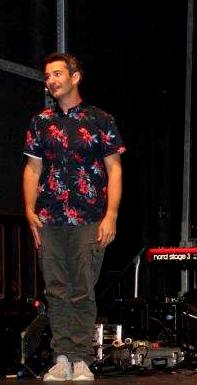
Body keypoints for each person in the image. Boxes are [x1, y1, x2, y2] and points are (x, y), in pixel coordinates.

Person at [23, 53, 125, 381]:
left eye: (57, 74)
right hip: (49, 217)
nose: (51, 81)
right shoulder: (40, 122)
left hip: (89, 216)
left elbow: (114, 168)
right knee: (55, 289)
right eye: (47, 76)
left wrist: (111, 215)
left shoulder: (100, 119)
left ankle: (81, 359)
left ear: (75, 76)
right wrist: (29, 211)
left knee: (82, 288)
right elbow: (32, 168)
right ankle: (61, 357)